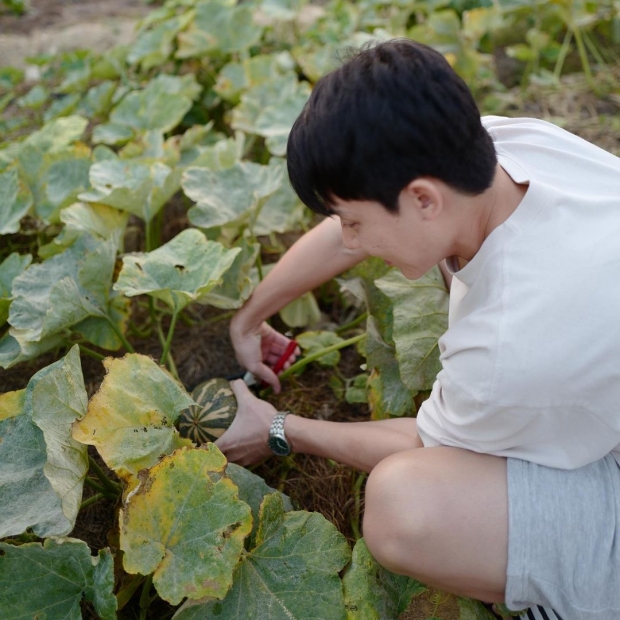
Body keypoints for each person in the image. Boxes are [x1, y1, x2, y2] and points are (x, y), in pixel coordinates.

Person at [215, 38, 620, 620]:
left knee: (405, 504)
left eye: (355, 223)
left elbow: (429, 445)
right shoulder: (506, 150)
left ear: (423, 199)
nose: (349, 240)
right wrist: (249, 316)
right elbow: (354, 219)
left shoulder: (510, 345)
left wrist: (279, 427)